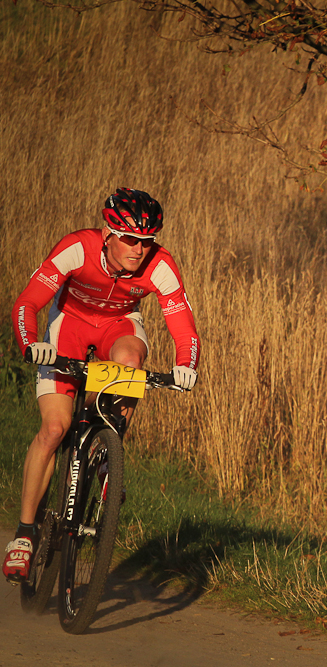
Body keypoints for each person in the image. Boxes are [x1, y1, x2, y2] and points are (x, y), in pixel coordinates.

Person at [4, 188, 201, 584]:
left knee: (131, 360)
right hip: (69, 324)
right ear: (109, 234)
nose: (139, 250)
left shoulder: (160, 265)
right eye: (129, 239)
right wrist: (31, 344)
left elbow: (184, 327)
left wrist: (186, 365)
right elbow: (27, 303)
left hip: (118, 325)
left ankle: (109, 451)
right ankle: (24, 534)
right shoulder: (77, 248)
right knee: (54, 429)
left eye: (147, 241)